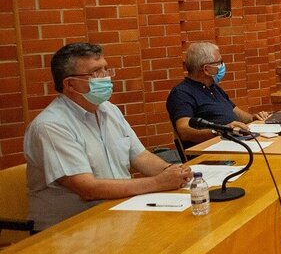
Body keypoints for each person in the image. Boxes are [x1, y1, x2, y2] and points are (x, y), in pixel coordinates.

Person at [23, 43, 195, 231]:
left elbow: (141, 157)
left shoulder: (109, 110)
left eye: (106, 69)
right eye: (96, 72)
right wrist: (158, 183)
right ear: (70, 84)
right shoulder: (51, 126)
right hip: (68, 231)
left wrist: (173, 172)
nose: (105, 77)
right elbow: (88, 189)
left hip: (118, 214)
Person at [167, 42, 269, 144]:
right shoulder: (181, 93)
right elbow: (184, 131)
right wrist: (220, 131)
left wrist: (254, 117)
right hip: (212, 148)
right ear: (206, 69)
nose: (222, 66)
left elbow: (236, 113)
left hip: (236, 141)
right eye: (219, 62)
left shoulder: (213, 87)